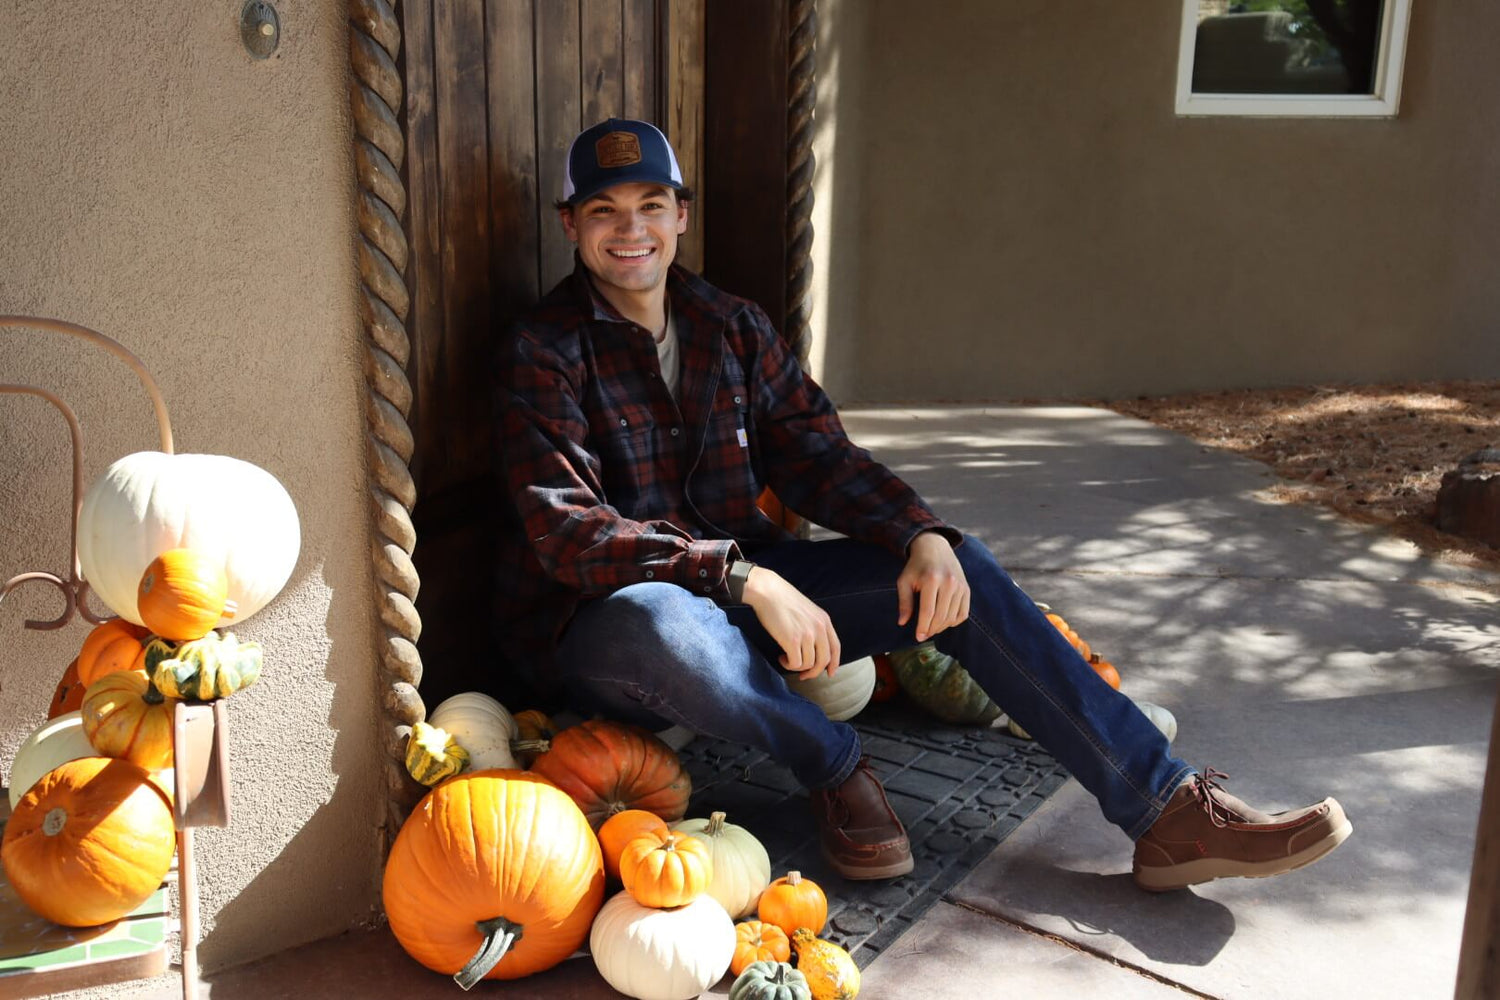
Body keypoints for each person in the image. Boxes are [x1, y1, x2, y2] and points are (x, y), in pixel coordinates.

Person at [494, 117, 1351, 889]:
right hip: (616, 628)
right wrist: (742, 575)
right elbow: (569, 533)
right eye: (604, 211)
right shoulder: (543, 350)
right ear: (571, 226)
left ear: (682, 214)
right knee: (666, 623)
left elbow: (819, 455)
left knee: (959, 568)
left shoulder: (732, 326)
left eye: (650, 204)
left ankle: (1164, 810)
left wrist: (921, 531)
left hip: (754, 597)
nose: (630, 230)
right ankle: (834, 764)